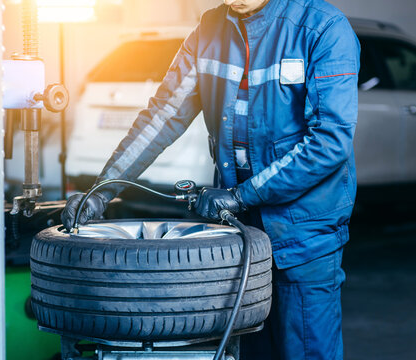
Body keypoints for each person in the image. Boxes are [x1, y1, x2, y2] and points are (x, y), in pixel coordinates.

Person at [61, 0, 360, 358]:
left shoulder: (322, 29)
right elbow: (164, 115)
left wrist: (242, 195)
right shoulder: (209, 31)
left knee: (306, 350)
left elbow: (329, 140)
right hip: (240, 233)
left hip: (304, 235)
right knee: (247, 350)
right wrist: (102, 190)